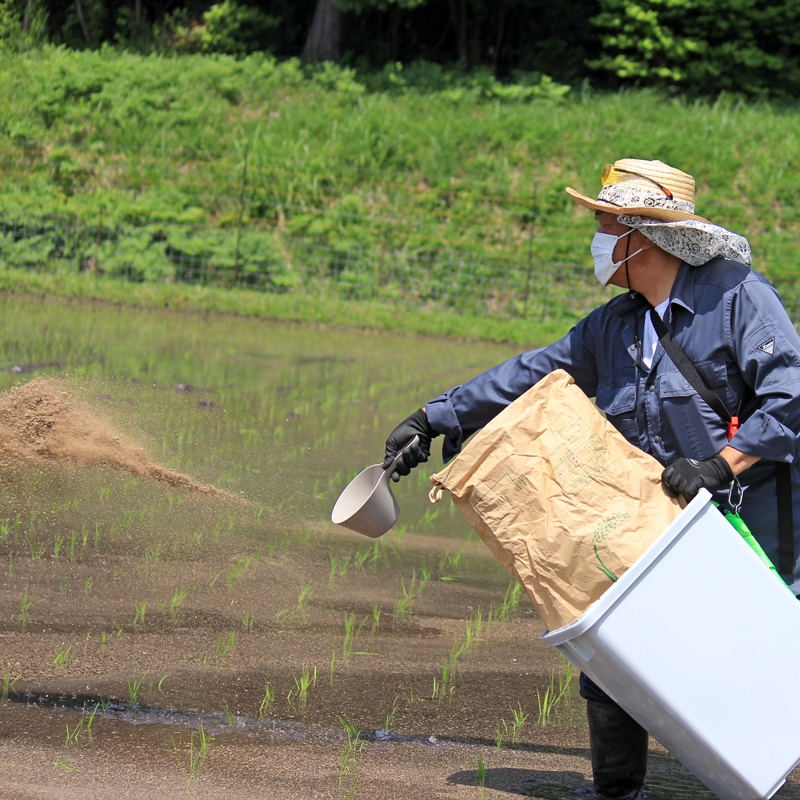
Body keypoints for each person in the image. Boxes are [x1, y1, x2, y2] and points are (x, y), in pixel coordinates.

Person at [381, 158, 800, 800]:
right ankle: (615, 791)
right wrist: (432, 419)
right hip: (660, 519)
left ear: (642, 233)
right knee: (616, 646)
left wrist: (722, 465)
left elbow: (789, 400)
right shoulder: (616, 325)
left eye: (605, 224)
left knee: (766, 654)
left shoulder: (737, 297)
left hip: (754, 520)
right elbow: (532, 372)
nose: (597, 238)